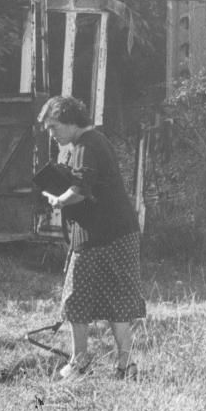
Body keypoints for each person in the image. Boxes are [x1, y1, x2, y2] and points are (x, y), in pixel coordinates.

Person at [37, 96, 145, 380]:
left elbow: (81, 189)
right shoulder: (94, 141)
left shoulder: (86, 145)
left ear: (72, 122)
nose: (52, 133)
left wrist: (58, 201)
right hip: (119, 232)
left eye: (54, 126)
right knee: (119, 298)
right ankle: (126, 366)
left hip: (99, 235)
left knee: (75, 299)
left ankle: (79, 362)